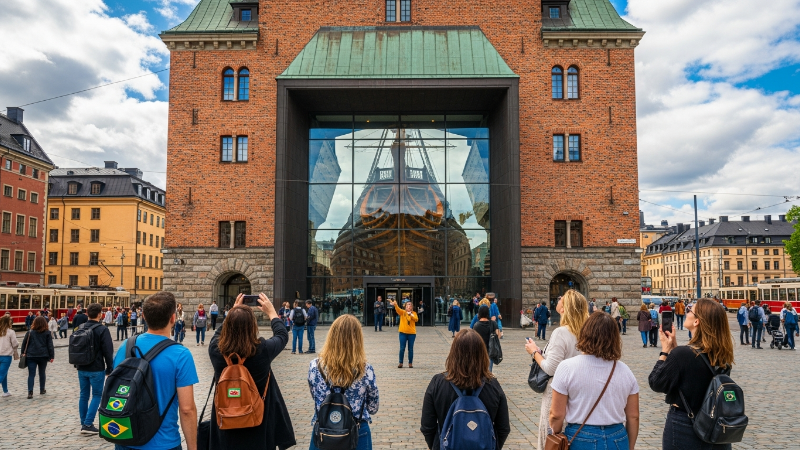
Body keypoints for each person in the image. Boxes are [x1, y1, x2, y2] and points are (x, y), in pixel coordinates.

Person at [207, 293, 296, 450]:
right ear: (252, 327)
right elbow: (282, 335)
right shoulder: (262, 350)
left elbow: (217, 334)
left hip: (225, 426)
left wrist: (234, 311)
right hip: (258, 427)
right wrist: (272, 313)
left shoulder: (216, 351)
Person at [112, 291, 199, 450]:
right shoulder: (180, 355)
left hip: (126, 438)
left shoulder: (126, 346)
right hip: (163, 442)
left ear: (143, 316)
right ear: (173, 318)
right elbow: (187, 409)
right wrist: (193, 447)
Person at [648, 298, 735, 450]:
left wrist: (665, 352)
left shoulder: (683, 354)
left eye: (690, 311)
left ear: (697, 322)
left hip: (685, 425)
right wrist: (674, 349)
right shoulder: (722, 355)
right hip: (716, 425)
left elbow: (656, 382)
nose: (687, 312)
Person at [549, 312, 640, 450]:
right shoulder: (625, 371)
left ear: (584, 333)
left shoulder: (567, 367)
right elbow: (633, 416)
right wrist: (630, 446)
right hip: (617, 437)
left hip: (580, 437)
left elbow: (556, 415)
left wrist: (555, 433)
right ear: (614, 338)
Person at [420, 328, 510, 450]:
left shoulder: (438, 383)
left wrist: (438, 446)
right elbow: (503, 428)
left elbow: (427, 426)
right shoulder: (492, 385)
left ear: (453, 353)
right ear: (482, 354)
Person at [524, 289, 589, 450]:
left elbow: (550, 368)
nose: (558, 299)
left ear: (563, 308)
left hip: (557, 392)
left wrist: (534, 352)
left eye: (561, 299)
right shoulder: (587, 331)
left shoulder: (561, 332)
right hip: (581, 392)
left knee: (552, 438)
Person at [308, 314, 379, 450]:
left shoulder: (314, 366)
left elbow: (315, 396)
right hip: (357, 431)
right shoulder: (365, 369)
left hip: (324, 430)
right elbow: (373, 408)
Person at [76, 303, 114, 434]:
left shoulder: (80, 327)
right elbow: (108, 351)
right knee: (97, 395)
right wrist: (110, 368)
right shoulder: (102, 329)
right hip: (96, 368)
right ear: (100, 314)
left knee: (83, 395)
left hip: (81, 367)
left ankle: (83, 422)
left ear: (86, 313)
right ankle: (87, 424)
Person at [20, 316, 54, 399]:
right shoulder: (47, 333)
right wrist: (52, 356)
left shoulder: (30, 332)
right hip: (43, 355)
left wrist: (22, 353)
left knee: (31, 374)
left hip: (31, 356)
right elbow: (50, 346)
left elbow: (24, 344)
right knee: (42, 373)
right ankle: (42, 389)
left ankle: (30, 392)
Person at [392, 298, 418, 368]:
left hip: (412, 333)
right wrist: (395, 305)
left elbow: (416, 319)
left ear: (412, 307)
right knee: (402, 348)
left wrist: (411, 314)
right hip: (403, 333)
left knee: (410, 349)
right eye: (407, 305)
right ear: (405, 307)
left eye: (410, 305)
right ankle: (401, 362)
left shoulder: (414, 313)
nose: (408, 306)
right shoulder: (403, 312)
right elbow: (398, 309)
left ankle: (410, 363)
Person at [472, 305, 500, 371]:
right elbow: (498, 336)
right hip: (490, 351)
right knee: (488, 372)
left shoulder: (476, 325)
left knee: (479, 371)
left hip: (480, 351)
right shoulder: (493, 323)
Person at [0, 315, 19, 397]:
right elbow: (15, 344)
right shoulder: (11, 332)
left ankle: (5, 391)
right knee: (1, 374)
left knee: (4, 374)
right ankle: (5, 391)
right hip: (6, 356)